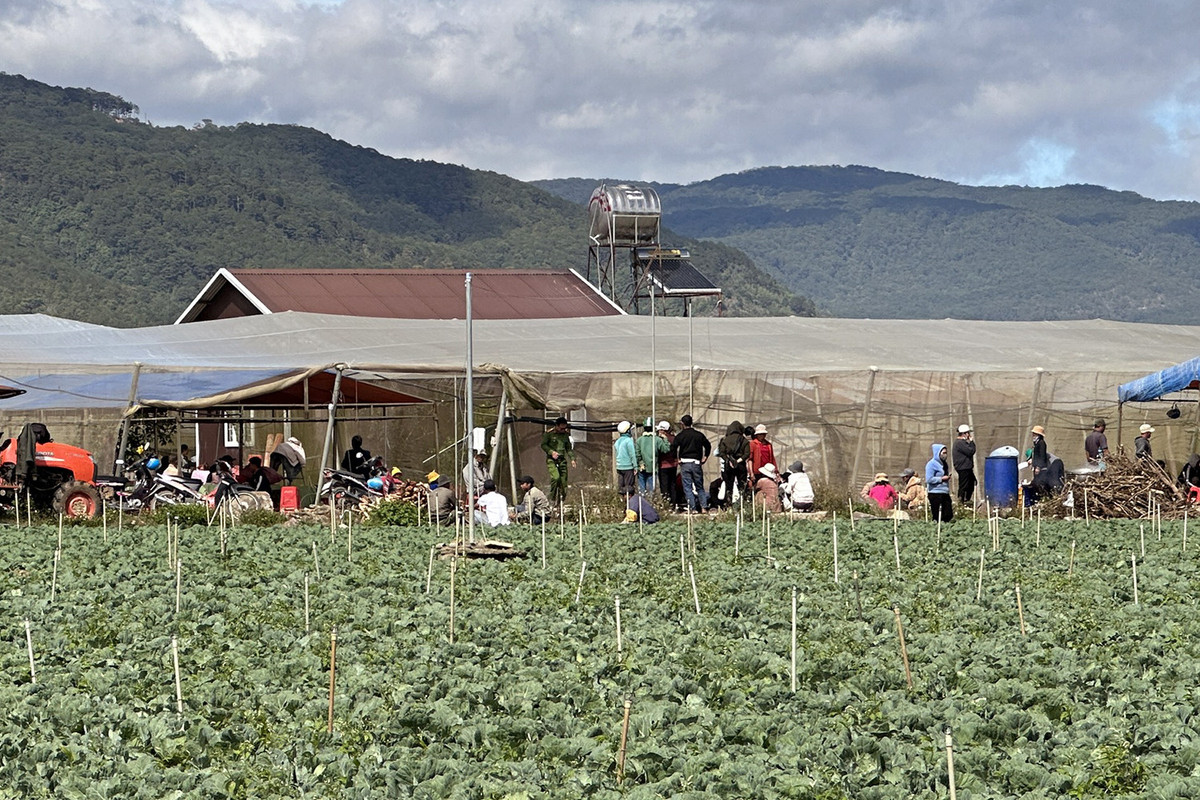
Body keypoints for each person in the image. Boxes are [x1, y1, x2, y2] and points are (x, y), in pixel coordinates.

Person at [670, 414, 711, 513]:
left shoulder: (681, 435)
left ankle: (693, 508)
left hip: (685, 463)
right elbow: (708, 445)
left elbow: (673, 447)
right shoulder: (698, 435)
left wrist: (676, 458)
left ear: (682, 424)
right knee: (699, 486)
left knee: (687, 487)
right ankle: (704, 507)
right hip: (696, 463)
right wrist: (705, 456)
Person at [541, 417, 576, 507]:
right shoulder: (549, 434)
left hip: (562, 460)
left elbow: (568, 448)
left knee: (563, 482)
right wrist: (551, 452)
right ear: (556, 426)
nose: (562, 430)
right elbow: (543, 445)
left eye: (564, 428)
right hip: (551, 459)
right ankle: (552, 498)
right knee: (556, 478)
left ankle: (561, 501)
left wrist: (572, 459)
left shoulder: (565, 435)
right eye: (561, 428)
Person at [717, 420, 750, 504]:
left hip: (729, 465)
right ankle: (743, 504)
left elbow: (721, 453)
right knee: (742, 485)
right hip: (741, 465)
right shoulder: (744, 440)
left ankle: (728, 504)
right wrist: (738, 461)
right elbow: (747, 454)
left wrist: (729, 460)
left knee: (729, 486)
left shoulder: (724, 440)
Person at [656, 421, 684, 512]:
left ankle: (666, 505)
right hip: (673, 465)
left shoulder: (660, 439)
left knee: (664, 486)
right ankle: (674, 504)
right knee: (672, 485)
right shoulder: (673, 438)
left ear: (663, 430)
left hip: (663, 465)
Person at [636, 420, 667, 496]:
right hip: (653, 467)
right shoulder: (657, 439)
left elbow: (637, 454)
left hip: (641, 467)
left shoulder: (639, 440)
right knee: (651, 490)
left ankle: (641, 504)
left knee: (642, 489)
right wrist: (665, 439)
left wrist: (639, 463)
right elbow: (665, 449)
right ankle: (650, 504)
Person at [926, 444, 953, 523]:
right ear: (938, 453)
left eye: (946, 453)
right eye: (943, 453)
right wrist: (941, 479)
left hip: (944, 491)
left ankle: (945, 529)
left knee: (948, 514)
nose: (945, 455)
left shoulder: (944, 464)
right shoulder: (931, 464)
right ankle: (937, 529)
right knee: (937, 515)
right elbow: (929, 479)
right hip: (935, 492)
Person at [952, 424, 976, 505]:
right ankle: (961, 502)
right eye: (968, 433)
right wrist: (971, 442)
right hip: (963, 468)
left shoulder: (962, 443)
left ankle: (966, 500)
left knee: (971, 483)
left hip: (967, 467)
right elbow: (971, 451)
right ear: (965, 434)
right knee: (963, 485)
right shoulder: (960, 443)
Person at [613, 421, 637, 499]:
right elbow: (632, 454)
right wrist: (635, 466)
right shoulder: (628, 441)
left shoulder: (617, 441)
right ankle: (629, 504)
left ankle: (622, 501)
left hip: (619, 467)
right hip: (628, 467)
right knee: (628, 488)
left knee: (621, 487)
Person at [1029, 425, 1052, 499]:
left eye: (1034, 434)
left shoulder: (1041, 443)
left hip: (1041, 469)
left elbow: (1042, 456)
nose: (1033, 435)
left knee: (1039, 484)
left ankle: (1042, 497)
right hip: (1037, 467)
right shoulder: (1037, 443)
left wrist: (1038, 467)